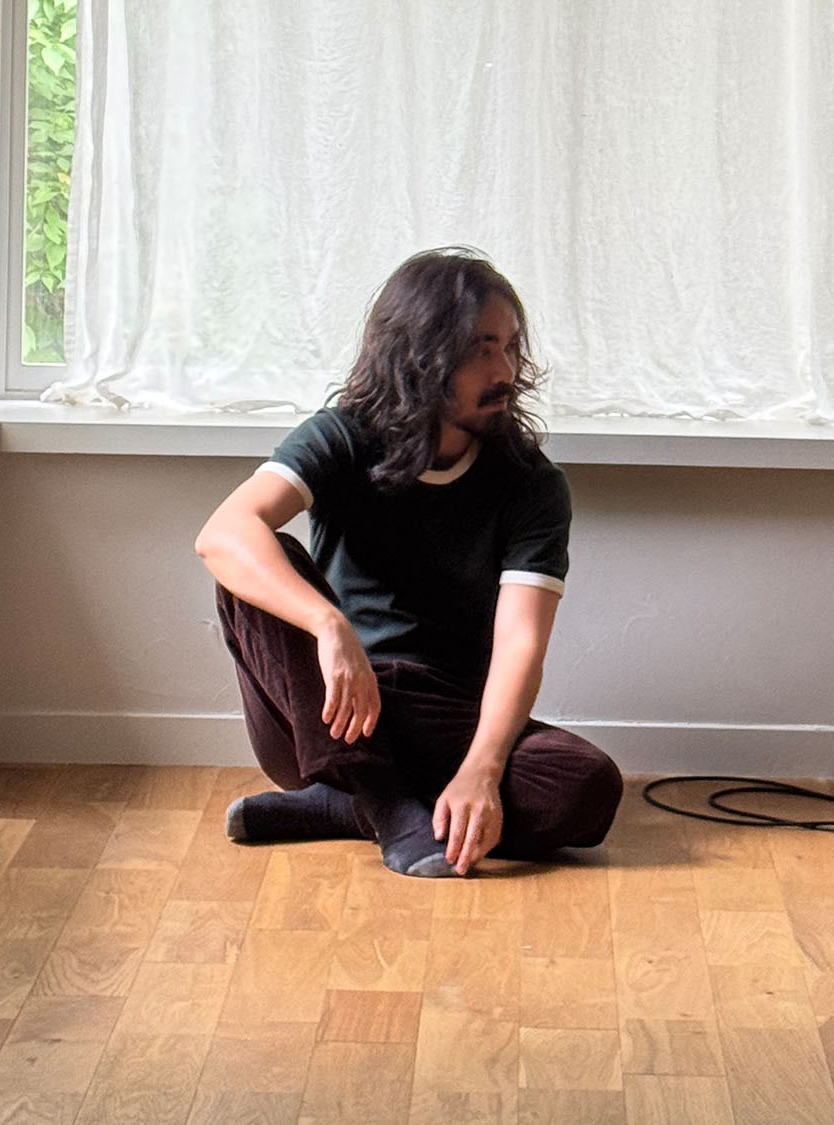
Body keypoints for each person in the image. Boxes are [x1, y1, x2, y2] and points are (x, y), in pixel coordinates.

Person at [194, 247, 624, 877]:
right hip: (327, 710)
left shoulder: (532, 484)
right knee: (257, 561)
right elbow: (222, 532)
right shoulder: (343, 435)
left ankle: (350, 806)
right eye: (481, 349)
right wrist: (329, 627)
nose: (504, 369)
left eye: (510, 347)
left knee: (586, 787)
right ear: (422, 353)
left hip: (442, 714)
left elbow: (520, 644)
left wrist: (481, 769)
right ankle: (390, 805)